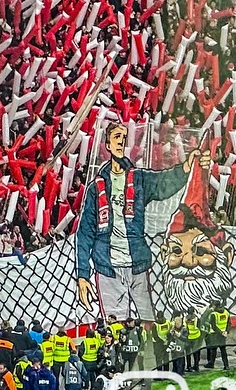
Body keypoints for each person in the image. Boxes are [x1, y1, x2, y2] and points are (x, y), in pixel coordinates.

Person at [73, 123, 197, 325]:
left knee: (148, 321)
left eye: (124, 137)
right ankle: (118, 357)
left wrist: (185, 167)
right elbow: (85, 233)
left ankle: (149, 355)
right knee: (115, 325)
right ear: (108, 145)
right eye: (116, 137)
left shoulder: (138, 178)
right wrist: (82, 275)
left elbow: (163, 183)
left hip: (137, 263)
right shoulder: (96, 187)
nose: (121, 141)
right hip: (107, 267)